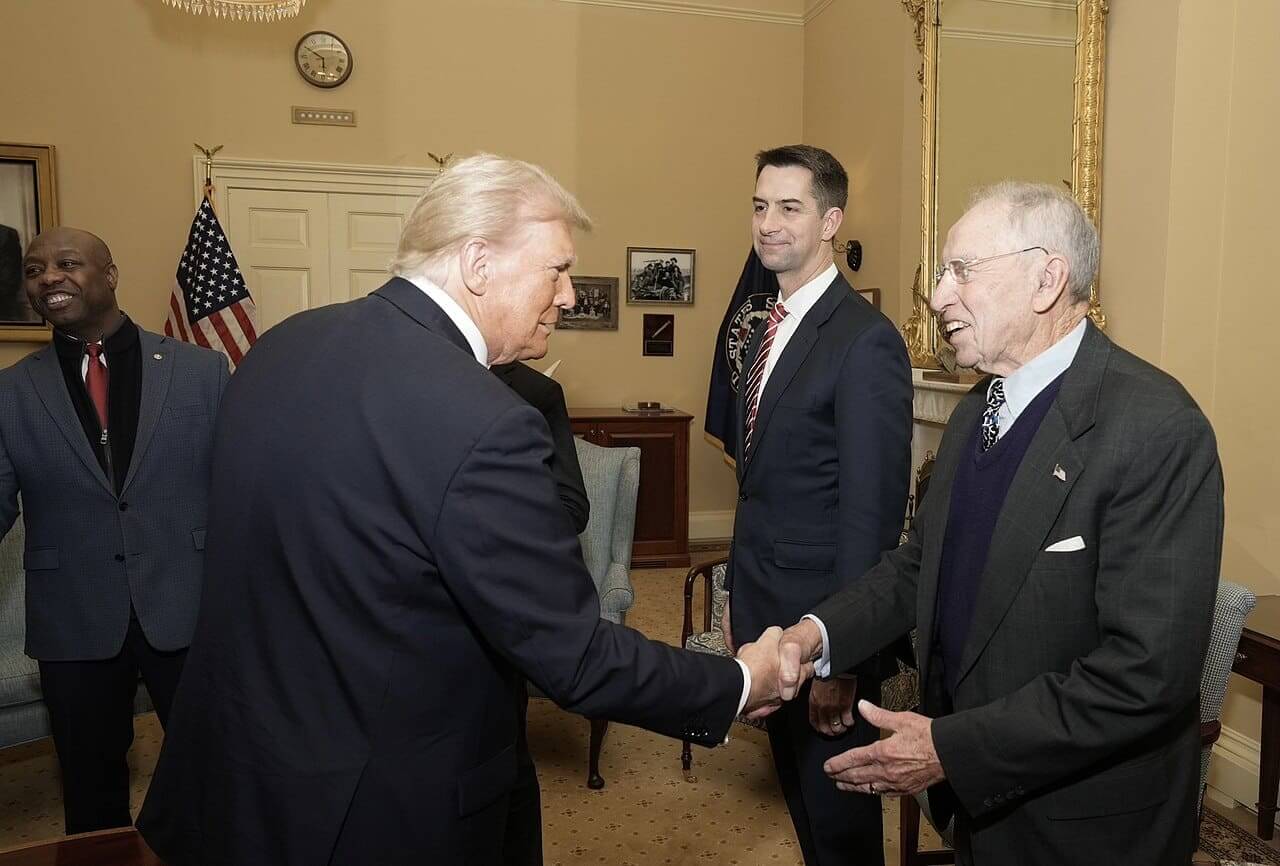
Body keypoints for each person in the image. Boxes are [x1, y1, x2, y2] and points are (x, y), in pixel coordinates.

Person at [137, 153, 785, 866]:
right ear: (478, 262)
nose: (570, 296)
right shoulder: (488, 419)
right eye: (557, 269)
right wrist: (739, 682)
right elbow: (573, 656)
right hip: (376, 809)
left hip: (237, 774)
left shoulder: (282, 345)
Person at [776, 181, 1223, 866]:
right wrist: (819, 634)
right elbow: (919, 565)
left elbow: (1144, 673)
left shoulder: (1156, 429)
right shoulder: (975, 412)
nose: (937, 295)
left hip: (1086, 824)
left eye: (962, 270)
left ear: (1048, 279)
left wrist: (949, 748)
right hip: (981, 812)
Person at [721, 144, 913, 866]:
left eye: (790, 208)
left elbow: (871, 517)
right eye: (760, 205)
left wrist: (843, 659)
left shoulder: (864, 341)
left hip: (823, 628)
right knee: (806, 815)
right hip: (770, 614)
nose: (768, 223)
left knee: (839, 830)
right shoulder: (770, 324)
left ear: (831, 220)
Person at [0, 227, 228, 833]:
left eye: (67, 263)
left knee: (215, 777)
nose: (49, 277)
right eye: (33, 270)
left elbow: (242, 490)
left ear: (109, 273)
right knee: (90, 787)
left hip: (188, 604)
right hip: (74, 616)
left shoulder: (202, 371)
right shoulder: (11, 392)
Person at [489, 359, 589, 866]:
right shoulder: (394, 367)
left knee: (506, 782)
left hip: (501, 617)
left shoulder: (537, 392)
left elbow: (574, 506)